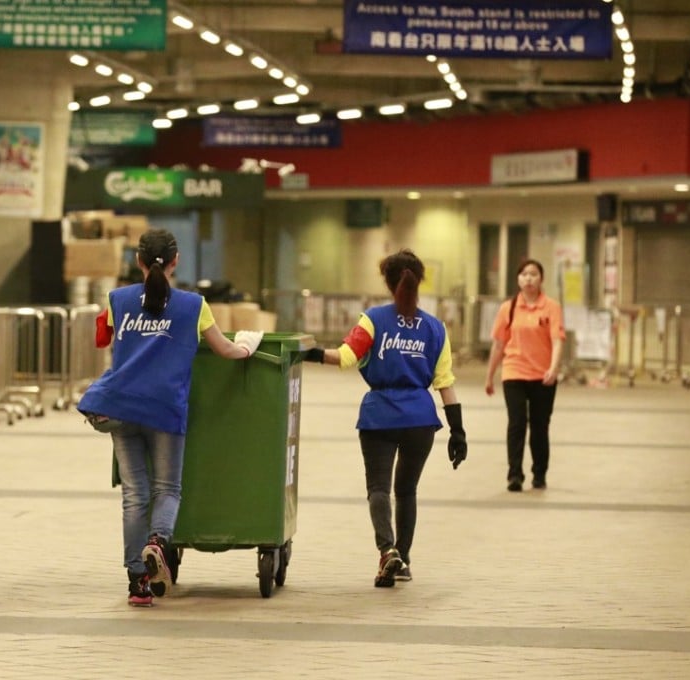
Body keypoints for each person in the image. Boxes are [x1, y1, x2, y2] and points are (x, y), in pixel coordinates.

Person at [77, 229, 264, 607]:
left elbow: (102, 338)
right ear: (176, 261)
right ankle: (158, 542)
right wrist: (246, 348)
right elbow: (224, 350)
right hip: (165, 410)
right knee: (168, 489)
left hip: (122, 406)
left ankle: (137, 582)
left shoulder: (117, 299)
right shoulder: (195, 305)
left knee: (134, 494)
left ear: (137, 261)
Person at [303, 249, 466, 587]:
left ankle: (386, 549)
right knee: (406, 491)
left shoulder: (374, 319)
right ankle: (403, 560)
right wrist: (458, 431)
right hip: (421, 419)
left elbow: (346, 357)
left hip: (379, 417)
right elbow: (445, 382)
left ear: (389, 283)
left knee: (378, 488)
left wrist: (310, 353)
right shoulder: (435, 328)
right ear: (418, 282)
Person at [485, 258, 564, 492]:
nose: (529, 278)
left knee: (540, 426)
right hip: (514, 372)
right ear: (518, 279)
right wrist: (490, 376)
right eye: (524, 274)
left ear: (541, 279)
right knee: (517, 423)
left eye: (534, 274)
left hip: (543, 376)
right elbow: (498, 345)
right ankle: (514, 475)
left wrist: (554, 367)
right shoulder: (508, 308)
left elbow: (557, 341)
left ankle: (539, 473)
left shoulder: (551, 307)